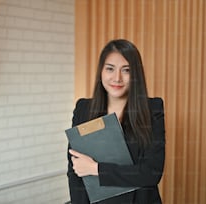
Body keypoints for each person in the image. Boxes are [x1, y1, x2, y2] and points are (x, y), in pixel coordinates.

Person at [67, 39, 165, 204]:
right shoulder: (84, 108)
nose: (117, 78)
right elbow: (75, 170)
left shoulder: (152, 109)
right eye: (110, 69)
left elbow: (151, 173)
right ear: (101, 71)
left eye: (126, 70)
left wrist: (96, 168)